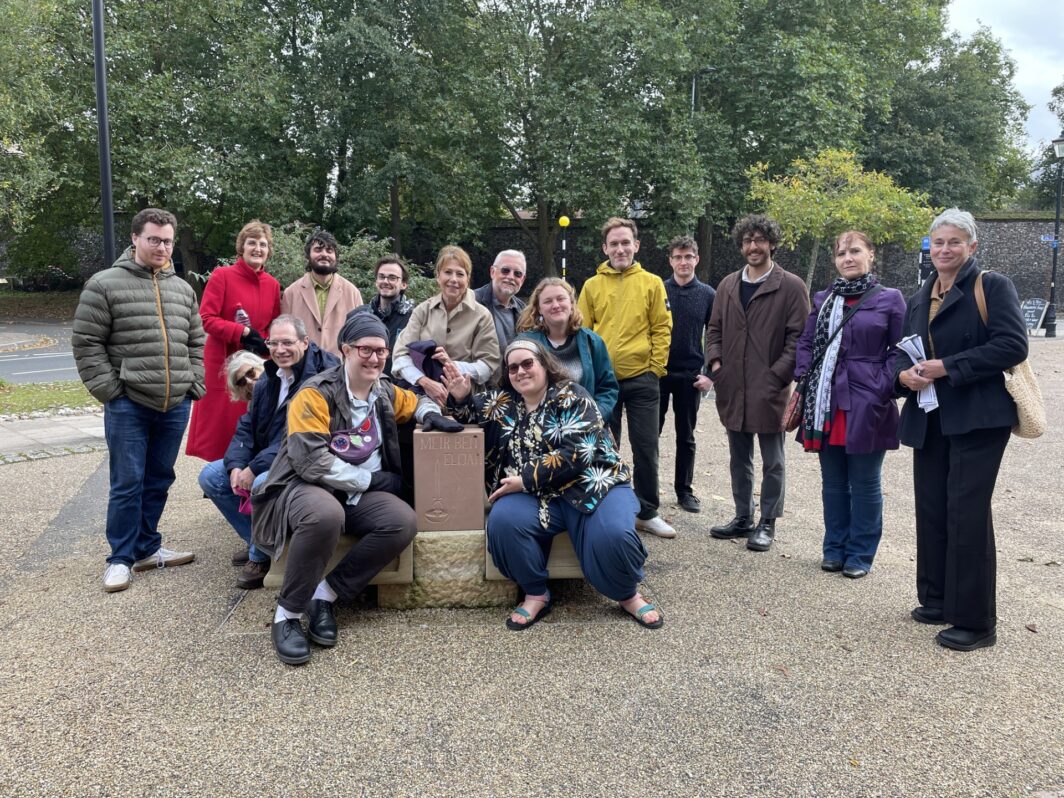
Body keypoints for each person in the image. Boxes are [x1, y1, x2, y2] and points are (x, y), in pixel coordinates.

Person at [251, 313, 463, 665]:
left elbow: (413, 401)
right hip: (305, 487)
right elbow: (310, 461)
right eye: (366, 349)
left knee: (401, 521)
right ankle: (287, 614)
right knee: (325, 514)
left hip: (356, 495)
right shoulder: (314, 394)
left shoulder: (381, 390)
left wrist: (429, 415)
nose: (375, 358)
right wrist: (370, 480)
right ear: (346, 350)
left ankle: (326, 596)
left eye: (382, 351)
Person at [443, 340, 662, 630]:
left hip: (593, 485)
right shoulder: (502, 402)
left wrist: (525, 479)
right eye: (512, 368)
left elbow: (580, 450)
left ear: (544, 364)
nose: (520, 372)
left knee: (613, 535)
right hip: (536, 495)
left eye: (527, 363)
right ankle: (535, 592)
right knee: (503, 522)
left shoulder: (572, 395)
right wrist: (460, 397)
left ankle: (627, 594)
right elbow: (468, 414)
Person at [893, 208, 1027, 651]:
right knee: (932, 508)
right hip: (929, 418)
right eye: (938, 242)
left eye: (954, 242)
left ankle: (975, 621)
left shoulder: (991, 286)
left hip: (977, 418)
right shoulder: (920, 294)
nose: (945, 250)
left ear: (972, 246)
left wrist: (948, 367)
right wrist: (904, 377)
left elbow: (1012, 345)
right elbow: (903, 353)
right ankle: (937, 598)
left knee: (966, 514)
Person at [72, 208, 205, 593]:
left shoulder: (181, 289)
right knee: (127, 482)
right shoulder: (104, 284)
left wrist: (192, 383)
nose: (162, 247)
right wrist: (111, 391)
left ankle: (147, 547)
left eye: (167, 241)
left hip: (175, 402)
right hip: (129, 402)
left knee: (160, 478)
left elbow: (196, 341)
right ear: (135, 238)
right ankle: (120, 558)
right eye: (154, 239)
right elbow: (86, 343)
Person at [794, 231, 905, 578]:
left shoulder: (891, 299)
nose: (848, 258)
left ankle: (860, 554)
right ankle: (834, 548)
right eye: (841, 253)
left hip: (867, 399)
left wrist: (881, 384)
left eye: (855, 251)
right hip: (826, 401)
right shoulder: (824, 298)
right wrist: (805, 379)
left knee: (865, 481)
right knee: (833, 481)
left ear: (871, 254)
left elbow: (902, 349)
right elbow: (808, 342)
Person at [197, 315, 338, 588]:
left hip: (305, 457)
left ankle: (259, 556)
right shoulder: (269, 375)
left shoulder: (318, 377)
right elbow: (247, 427)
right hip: (270, 456)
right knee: (212, 476)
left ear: (305, 342)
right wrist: (237, 465)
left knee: (262, 483)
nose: (280, 349)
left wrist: (254, 468)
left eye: (288, 342)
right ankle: (260, 541)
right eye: (274, 343)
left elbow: (294, 438)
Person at [706, 214, 809, 552]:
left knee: (773, 459)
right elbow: (715, 330)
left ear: (771, 243)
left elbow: (799, 337)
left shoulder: (791, 286)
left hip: (770, 387)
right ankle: (742, 516)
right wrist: (717, 364)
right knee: (739, 457)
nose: (754, 246)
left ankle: (767, 521)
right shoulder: (728, 285)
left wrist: (778, 374)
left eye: (760, 240)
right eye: (748, 241)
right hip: (733, 384)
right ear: (741, 245)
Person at [577, 218, 675, 538]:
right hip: (605, 384)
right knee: (605, 446)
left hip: (642, 380)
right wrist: (591, 376)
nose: (620, 248)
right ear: (605, 248)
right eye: (614, 244)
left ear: (636, 245)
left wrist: (655, 368)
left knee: (646, 448)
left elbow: (662, 327)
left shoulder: (652, 283)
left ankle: (647, 511)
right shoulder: (592, 286)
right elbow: (583, 333)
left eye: (625, 242)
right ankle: (607, 508)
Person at [186, 220, 281, 462]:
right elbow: (206, 318)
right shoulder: (223, 276)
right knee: (223, 429)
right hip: (225, 362)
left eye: (263, 244)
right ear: (242, 247)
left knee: (253, 423)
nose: (257, 249)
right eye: (252, 243)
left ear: (268, 251)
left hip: (257, 362)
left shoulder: (272, 285)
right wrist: (242, 333)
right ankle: (218, 478)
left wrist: (266, 341)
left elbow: (274, 324)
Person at [392, 245, 501, 405]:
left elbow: (488, 365)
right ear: (438, 276)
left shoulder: (482, 316)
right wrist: (425, 382)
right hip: (422, 397)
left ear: (467, 279)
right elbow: (400, 357)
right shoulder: (422, 311)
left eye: (460, 274)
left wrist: (452, 366)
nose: (454, 279)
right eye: (448, 272)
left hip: (465, 400)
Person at [658, 235, 716, 514]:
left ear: (696, 259)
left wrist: (710, 375)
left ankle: (684, 490)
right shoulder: (656, 289)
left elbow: (718, 336)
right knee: (649, 435)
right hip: (657, 373)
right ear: (670, 260)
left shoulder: (707, 294)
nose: (683, 262)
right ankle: (645, 490)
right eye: (678, 257)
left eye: (688, 256)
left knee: (686, 436)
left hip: (690, 376)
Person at [514, 277, 619, 422]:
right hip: (540, 427)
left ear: (571, 303)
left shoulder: (592, 341)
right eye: (548, 301)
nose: (555, 305)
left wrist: (596, 415)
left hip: (585, 424)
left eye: (560, 299)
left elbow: (607, 388)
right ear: (539, 309)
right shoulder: (525, 344)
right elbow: (514, 384)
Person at [280, 228, 363, 357]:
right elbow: (284, 334)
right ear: (308, 256)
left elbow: (360, 334)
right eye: (318, 250)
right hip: (303, 367)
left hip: (339, 367)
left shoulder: (352, 293)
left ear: (335, 256)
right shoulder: (291, 293)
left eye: (329, 251)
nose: (324, 254)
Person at [349, 255, 414, 377]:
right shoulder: (357, 316)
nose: (385, 281)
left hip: (398, 389)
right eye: (382, 277)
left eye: (392, 278)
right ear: (376, 281)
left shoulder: (413, 319)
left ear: (403, 284)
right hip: (362, 385)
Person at [474, 249, 527, 353]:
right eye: (505, 270)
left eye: (517, 273)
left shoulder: (524, 310)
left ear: (523, 279)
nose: (511, 277)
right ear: (492, 272)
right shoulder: (472, 302)